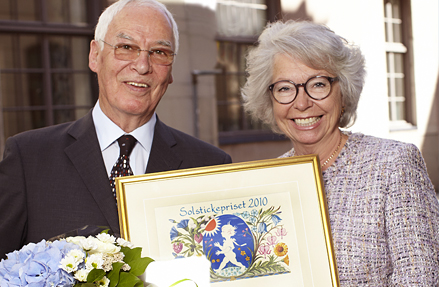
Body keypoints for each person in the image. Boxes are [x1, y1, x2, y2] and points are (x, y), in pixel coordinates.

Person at [0, 0, 231, 260]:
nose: (142, 65)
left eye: (159, 52)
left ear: (171, 70)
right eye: (126, 47)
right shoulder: (28, 158)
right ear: (94, 55)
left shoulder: (209, 167)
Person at [242, 20, 439, 285]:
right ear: (270, 100)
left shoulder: (393, 165)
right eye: (285, 88)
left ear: (343, 92)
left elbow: (420, 279)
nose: (302, 103)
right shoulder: (265, 183)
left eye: (319, 84)